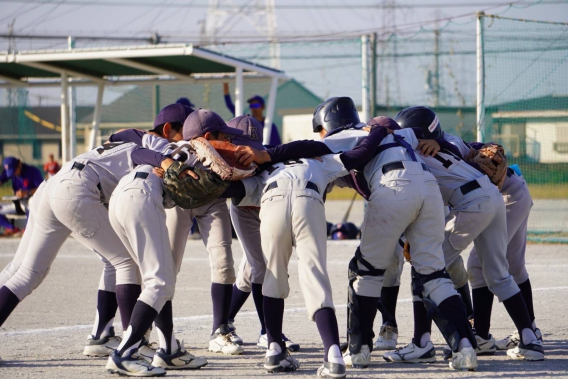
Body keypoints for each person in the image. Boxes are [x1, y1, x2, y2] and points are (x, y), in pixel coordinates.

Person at [394, 106, 544, 362]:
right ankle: (529, 339)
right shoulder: (446, 142)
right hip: (493, 197)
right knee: (498, 272)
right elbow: (468, 150)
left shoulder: (425, 152)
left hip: (486, 200)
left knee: (426, 266)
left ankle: (422, 342)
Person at [0, 157, 43, 236]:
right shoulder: (11, 172)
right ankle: (12, 229)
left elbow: (43, 189)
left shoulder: (32, 171)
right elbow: (2, 179)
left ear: (19, 164)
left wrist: (27, 192)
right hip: (17, 204)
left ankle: (27, 230)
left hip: (30, 203)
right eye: (11, 172)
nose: (13, 174)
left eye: (14, 170)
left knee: (32, 201)